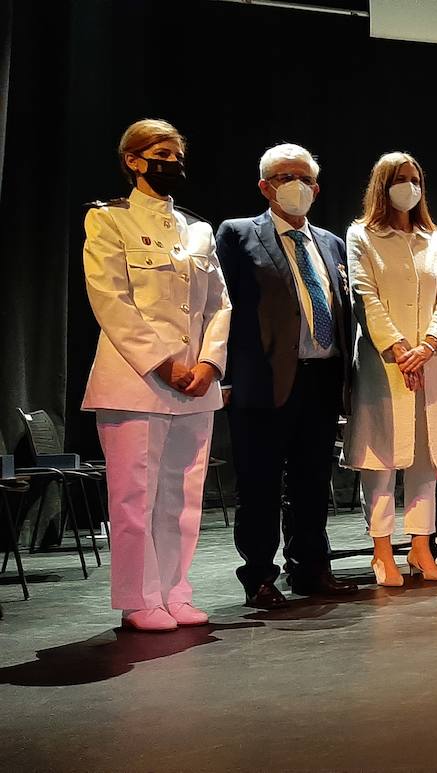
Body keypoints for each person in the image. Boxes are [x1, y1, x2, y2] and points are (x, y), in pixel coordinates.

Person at [81, 119, 230, 631]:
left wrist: (210, 363)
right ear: (133, 160)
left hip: (195, 385)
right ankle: (139, 598)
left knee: (183, 496)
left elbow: (218, 304)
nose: (172, 162)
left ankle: (175, 590)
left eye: (177, 153)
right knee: (134, 497)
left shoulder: (197, 229)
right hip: (135, 380)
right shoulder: (108, 221)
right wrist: (163, 362)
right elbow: (111, 302)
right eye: (161, 152)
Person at [217, 143, 358, 609]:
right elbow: (220, 310)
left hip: (321, 379)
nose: (295, 185)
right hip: (263, 382)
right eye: (283, 177)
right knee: (258, 484)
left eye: (303, 178)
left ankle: (311, 568)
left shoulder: (332, 243)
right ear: (264, 186)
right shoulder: (238, 235)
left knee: (313, 481)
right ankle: (259, 576)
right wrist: (225, 373)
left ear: (316, 188)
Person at [344, 152, 437, 584]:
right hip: (384, 365)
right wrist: (398, 349)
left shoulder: (436, 239)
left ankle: (419, 547)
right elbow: (365, 296)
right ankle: (381, 550)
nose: (409, 187)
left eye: (415, 179)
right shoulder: (362, 236)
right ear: (382, 185)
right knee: (382, 459)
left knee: (425, 458)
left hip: (431, 363)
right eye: (400, 179)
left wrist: (427, 347)